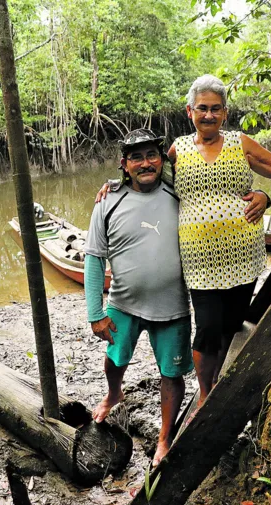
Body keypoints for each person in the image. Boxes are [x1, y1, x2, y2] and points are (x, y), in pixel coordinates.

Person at [97, 75, 271, 414]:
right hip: (198, 262)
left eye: (215, 109)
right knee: (207, 327)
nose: (208, 115)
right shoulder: (177, 150)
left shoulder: (240, 142)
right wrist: (115, 183)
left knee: (231, 323)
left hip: (244, 255)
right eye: (202, 109)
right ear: (189, 111)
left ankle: (221, 376)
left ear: (225, 113)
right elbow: (146, 175)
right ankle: (206, 391)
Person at [84, 128, 193, 467]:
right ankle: (114, 393)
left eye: (151, 156)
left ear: (162, 160)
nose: (146, 163)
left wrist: (262, 195)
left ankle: (164, 438)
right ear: (124, 164)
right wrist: (94, 312)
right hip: (123, 303)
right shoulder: (108, 200)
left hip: (173, 306)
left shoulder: (181, 192)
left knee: (171, 374)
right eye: (136, 157)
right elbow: (93, 257)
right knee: (114, 358)